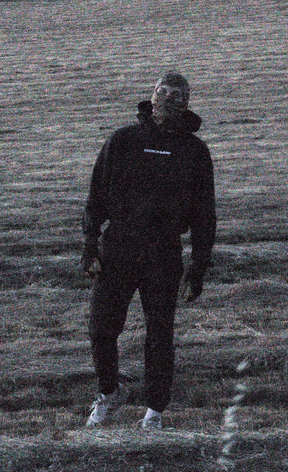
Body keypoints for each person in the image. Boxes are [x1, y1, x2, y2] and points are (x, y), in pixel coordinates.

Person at [81, 72, 216, 430]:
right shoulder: (123, 140)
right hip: (118, 247)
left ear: (186, 102)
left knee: (159, 335)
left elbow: (204, 215)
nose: (168, 99)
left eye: (177, 94)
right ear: (151, 95)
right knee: (101, 329)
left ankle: (154, 412)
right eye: (162, 91)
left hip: (163, 253)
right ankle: (109, 393)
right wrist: (90, 244)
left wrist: (198, 268)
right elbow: (96, 194)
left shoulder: (195, 152)